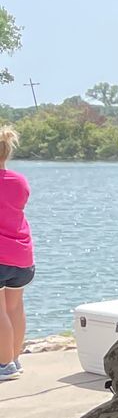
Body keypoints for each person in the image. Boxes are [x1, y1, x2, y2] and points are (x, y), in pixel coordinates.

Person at [0, 123, 31, 380]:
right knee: (15, 307)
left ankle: (4, 365)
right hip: (22, 255)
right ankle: (14, 358)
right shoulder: (19, 181)